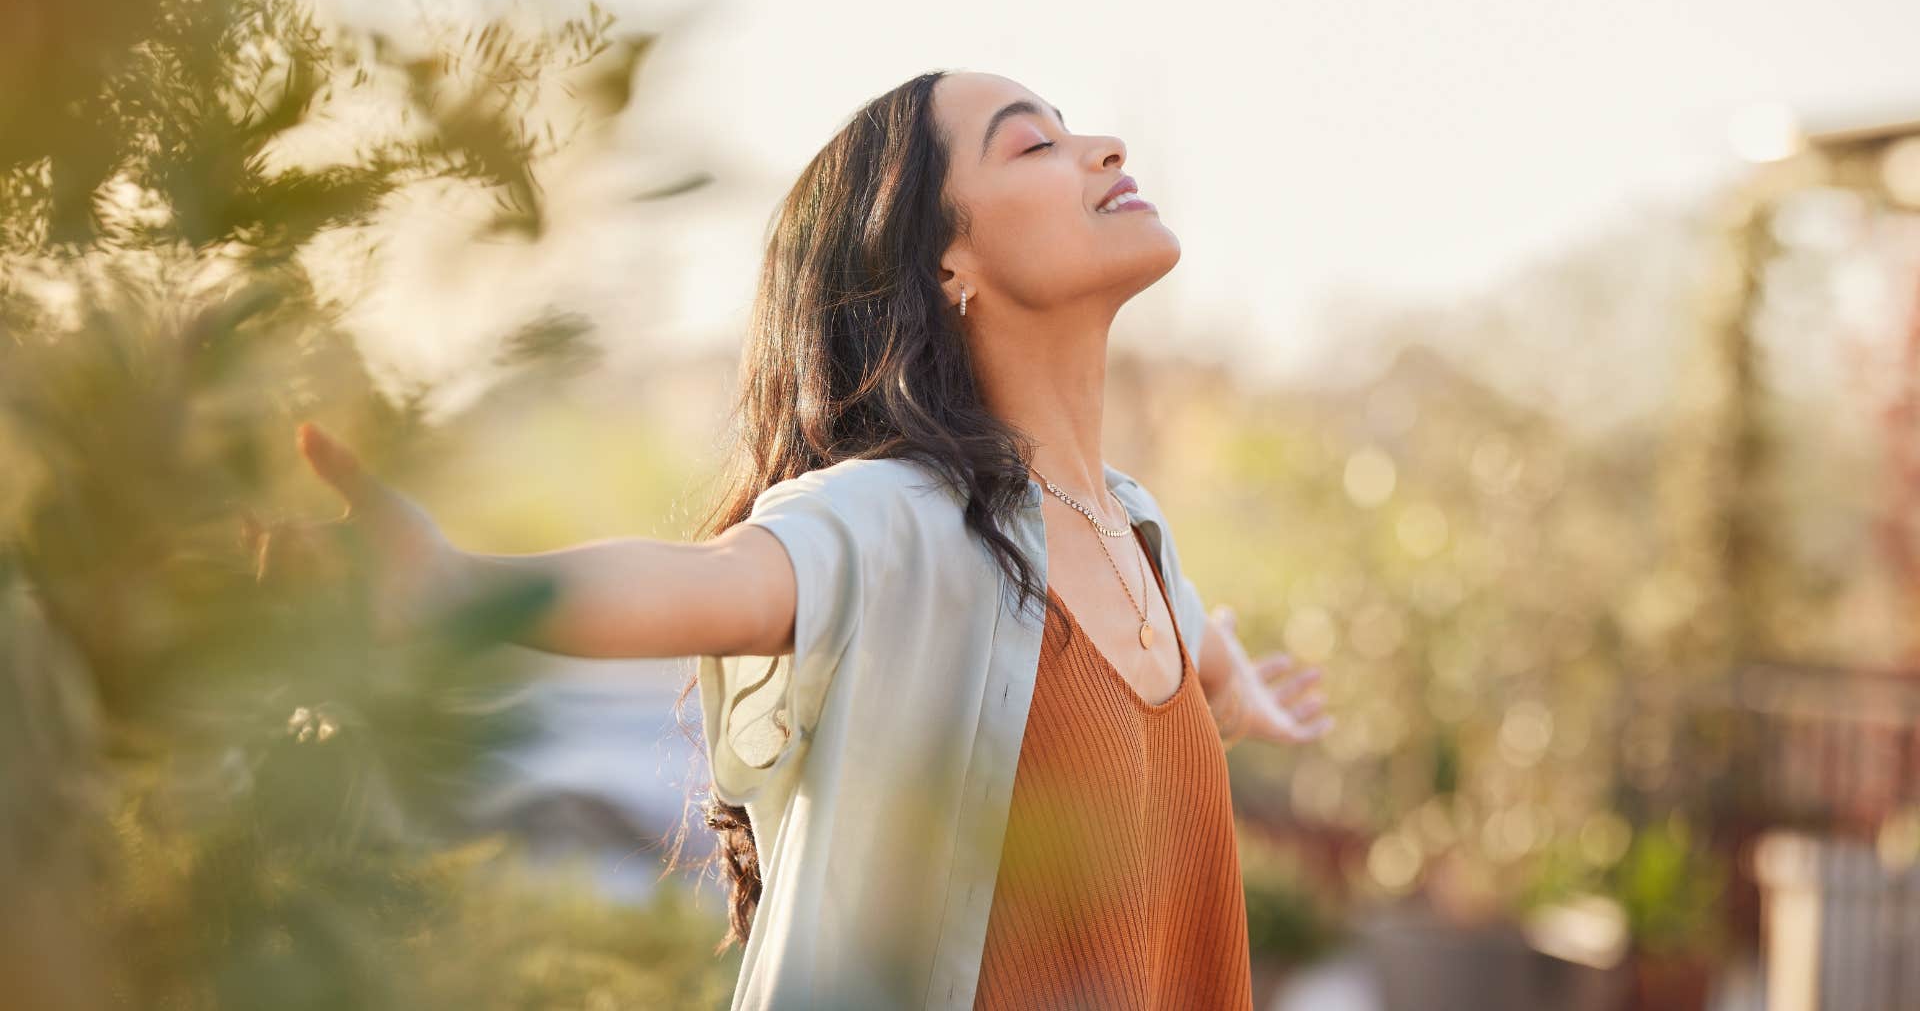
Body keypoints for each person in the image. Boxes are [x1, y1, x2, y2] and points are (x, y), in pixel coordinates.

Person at [286, 69, 1333, 1010]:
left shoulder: (1135, 530)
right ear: (946, 261)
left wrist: (1229, 686)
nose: (1103, 147)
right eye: (1034, 144)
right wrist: (458, 589)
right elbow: (710, 581)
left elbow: (1181, 642)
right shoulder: (898, 520)